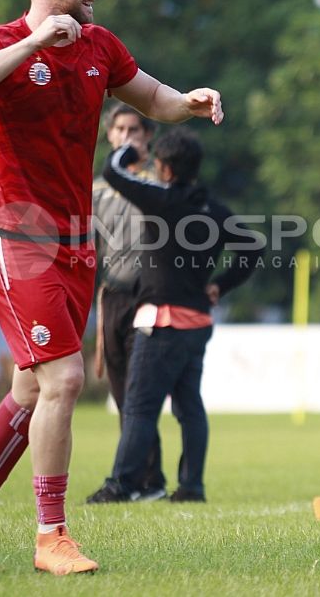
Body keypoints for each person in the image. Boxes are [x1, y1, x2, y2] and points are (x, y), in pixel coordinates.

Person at [0, 0, 224, 576]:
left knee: (31, 392)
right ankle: (50, 537)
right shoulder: (1, 42)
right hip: (14, 239)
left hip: (74, 243)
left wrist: (189, 103)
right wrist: (33, 43)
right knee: (65, 379)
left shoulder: (100, 46)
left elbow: (151, 97)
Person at [86, 128, 260, 504]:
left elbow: (114, 173)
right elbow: (253, 247)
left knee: (139, 407)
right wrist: (221, 285)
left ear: (164, 169)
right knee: (189, 408)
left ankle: (122, 484)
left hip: (161, 322)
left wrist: (128, 151)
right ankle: (191, 486)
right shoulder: (213, 209)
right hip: (197, 323)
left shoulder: (161, 199)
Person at [89, 103, 167, 502]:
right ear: (109, 135)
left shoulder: (159, 182)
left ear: (147, 137)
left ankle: (145, 480)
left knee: (140, 392)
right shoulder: (97, 190)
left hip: (150, 297)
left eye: (135, 130)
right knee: (122, 392)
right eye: (120, 129)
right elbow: (91, 249)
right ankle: (141, 479)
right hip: (113, 296)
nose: (127, 137)